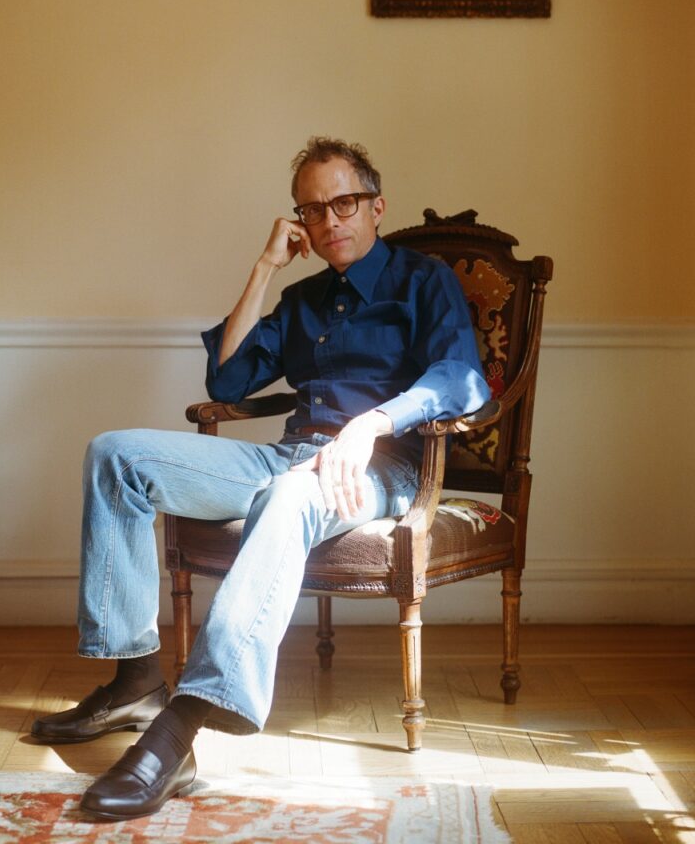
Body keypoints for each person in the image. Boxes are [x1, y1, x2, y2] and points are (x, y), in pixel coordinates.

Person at [31, 136, 490, 821]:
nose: (329, 220)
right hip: (290, 455)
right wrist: (265, 267)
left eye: (344, 203)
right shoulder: (303, 298)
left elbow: (462, 378)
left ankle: (180, 729)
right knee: (116, 454)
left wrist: (369, 425)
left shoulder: (423, 282)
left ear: (376, 206)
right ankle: (135, 682)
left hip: (380, 467)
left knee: (290, 493)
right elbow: (227, 379)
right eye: (312, 210)